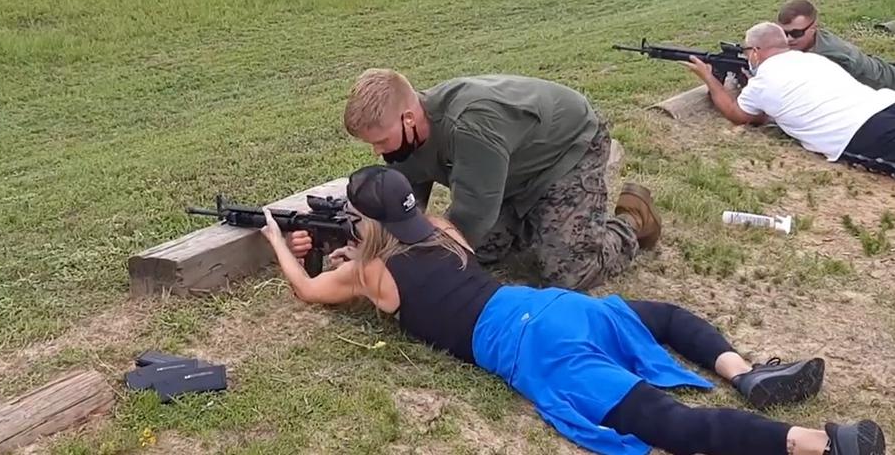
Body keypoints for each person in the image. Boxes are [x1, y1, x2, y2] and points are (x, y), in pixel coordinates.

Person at [260, 164, 885, 455]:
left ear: (364, 223)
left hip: (531, 349)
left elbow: (309, 292)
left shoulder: (370, 273)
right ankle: (743, 372)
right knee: (661, 318)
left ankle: (817, 445)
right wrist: (349, 258)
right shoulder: (446, 231)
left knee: (663, 422)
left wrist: (280, 246)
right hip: (547, 307)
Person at [340, 69, 661, 291]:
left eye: (381, 140)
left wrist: (412, 263)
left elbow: (470, 218)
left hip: (566, 152)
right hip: (505, 173)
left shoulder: (470, 126)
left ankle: (632, 220)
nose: (376, 151)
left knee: (566, 274)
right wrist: (370, 247)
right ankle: (533, 221)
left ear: (408, 118)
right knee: (485, 252)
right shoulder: (408, 137)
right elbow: (404, 206)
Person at [682, 21, 895, 176]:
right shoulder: (812, 59)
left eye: (747, 52)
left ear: (755, 51)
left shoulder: (762, 82)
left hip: (861, 132)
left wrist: (708, 78)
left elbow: (735, 113)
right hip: (885, 102)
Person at [777, 0, 895, 91]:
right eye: (783, 32)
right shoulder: (809, 41)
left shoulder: (830, 57)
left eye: (797, 33)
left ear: (813, 28)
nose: (788, 39)